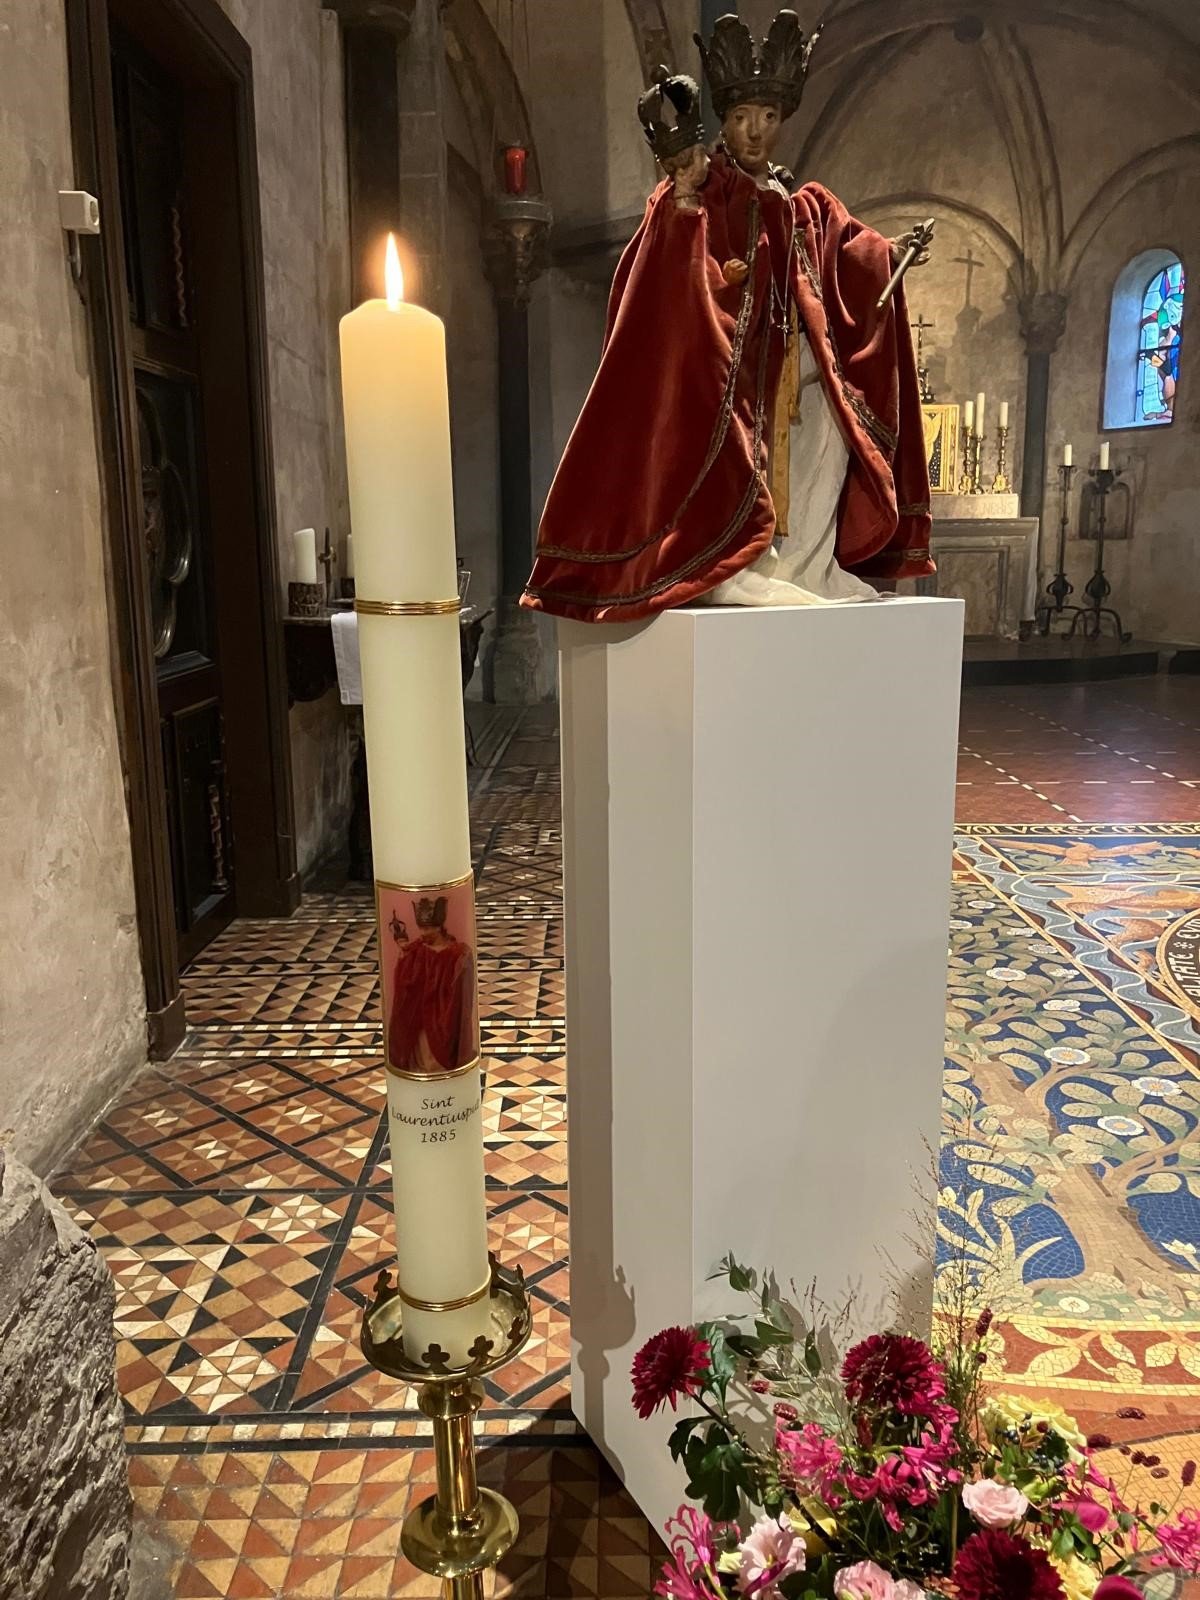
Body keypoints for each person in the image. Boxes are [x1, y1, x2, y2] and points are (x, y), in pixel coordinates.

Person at [522, 10, 934, 623]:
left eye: (768, 118)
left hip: (799, 364)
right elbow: (663, 266)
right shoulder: (705, 186)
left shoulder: (805, 203)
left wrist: (889, 255)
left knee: (829, 435)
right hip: (729, 372)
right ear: (726, 120)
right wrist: (684, 204)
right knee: (733, 447)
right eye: (742, 117)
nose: (755, 131)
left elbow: (849, 250)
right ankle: (735, 565)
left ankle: (801, 566)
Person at [386, 896, 477, 1075]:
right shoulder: (418, 949)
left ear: (439, 927)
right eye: (421, 928)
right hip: (421, 1014)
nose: (423, 933)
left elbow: (459, 988)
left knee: (436, 1047)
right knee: (422, 1047)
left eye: (428, 928)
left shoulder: (456, 952)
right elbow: (409, 979)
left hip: (442, 1012)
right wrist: (404, 956)